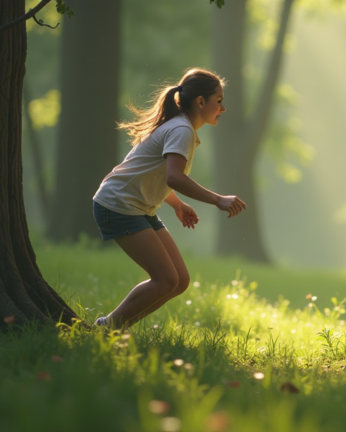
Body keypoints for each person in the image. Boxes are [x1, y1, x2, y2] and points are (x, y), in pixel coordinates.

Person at [92, 67, 245, 329]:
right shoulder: (181, 130)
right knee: (165, 279)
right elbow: (174, 177)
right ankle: (107, 328)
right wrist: (218, 199)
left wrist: (177, 204)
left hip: (139, 207)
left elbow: (159, 175)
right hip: (118, 205)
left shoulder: (181, 128)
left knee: (179, 281)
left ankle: (115, 328)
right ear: (200, 102)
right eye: (219, 101)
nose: (223, 108)